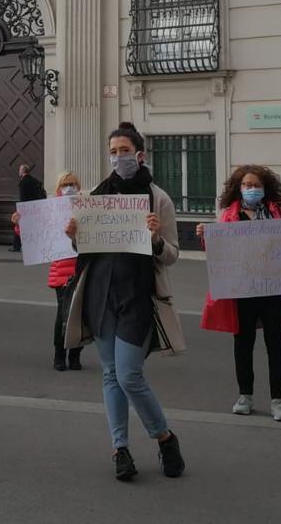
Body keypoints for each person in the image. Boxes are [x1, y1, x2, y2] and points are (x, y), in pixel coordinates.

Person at [63, 122, 185, 483]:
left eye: (125, 151)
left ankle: (164, 437)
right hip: (100, 297)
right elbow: (83, 249)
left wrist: (157, 238)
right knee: (111, 374)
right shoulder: (95, 196)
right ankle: (120, 449)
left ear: (140, 155)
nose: (119, 157)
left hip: (137, 297)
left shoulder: (158, 199)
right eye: (113, 151)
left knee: (129, 374)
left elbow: (172, 255)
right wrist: (73, 236)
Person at [199, 165, 281, 423]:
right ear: (238, 189)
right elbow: (219, 253)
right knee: (243, 345)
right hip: (242, 293)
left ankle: (279, 400)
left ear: (266, 189)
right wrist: (205, 237)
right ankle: (245, 396)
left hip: (273, 292)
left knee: (276, 346)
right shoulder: (228, 217)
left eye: (256, 185)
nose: (252, 189)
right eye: (247, 185)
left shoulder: (280, 215)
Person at [11, 170, 84, 371]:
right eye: (65, 184)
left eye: (73, 184)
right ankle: (59, 356)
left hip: (83, 271)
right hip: (62, 273)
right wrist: (19, 224)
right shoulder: (49, 210)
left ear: (79, 187)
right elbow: (32, 232)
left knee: (80, 316)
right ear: (59, 188)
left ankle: (75, 355)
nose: (69, 187)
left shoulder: (85, 208)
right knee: (63, 315)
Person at [10, 162, 46, 253]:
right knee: (32, 227)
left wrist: (20, 209)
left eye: (19, 170)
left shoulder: (23, 182)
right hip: (34, 207)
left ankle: (16, 246)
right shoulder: (35, 181)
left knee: (18, 226)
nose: (18, 171)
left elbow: (23, 197)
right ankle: (32, 245)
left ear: (22, 171)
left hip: (25, 208)